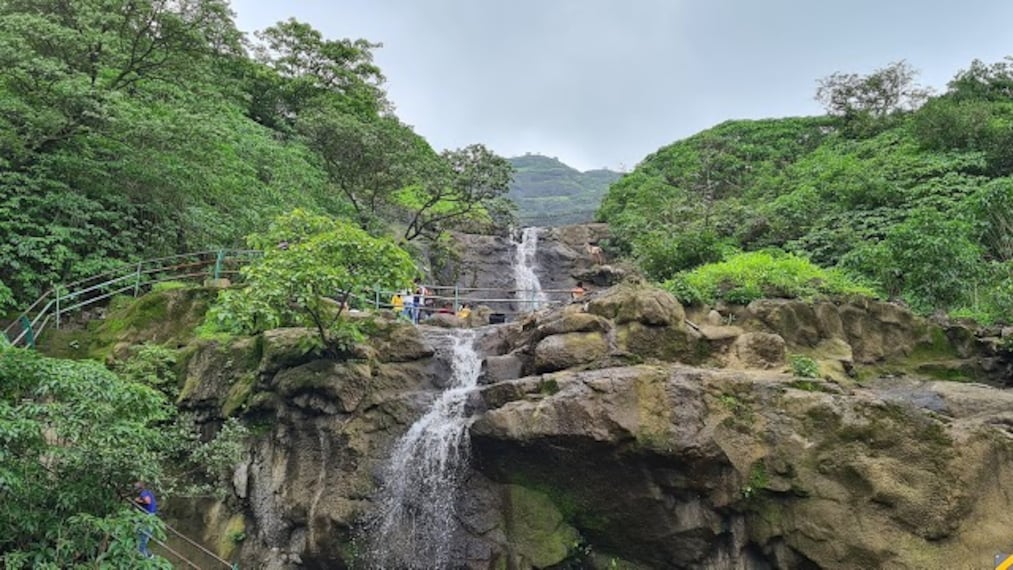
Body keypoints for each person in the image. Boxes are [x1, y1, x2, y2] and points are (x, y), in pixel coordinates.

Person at [134, 481, 157, 559]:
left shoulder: (143, 493)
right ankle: (147, 555)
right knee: (143, 535)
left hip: (148, 516)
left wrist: (137, 501)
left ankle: (144, 557)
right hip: (151, 515)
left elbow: (148, 501)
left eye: (135, 488)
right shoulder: (148, 492)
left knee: (143, 537)